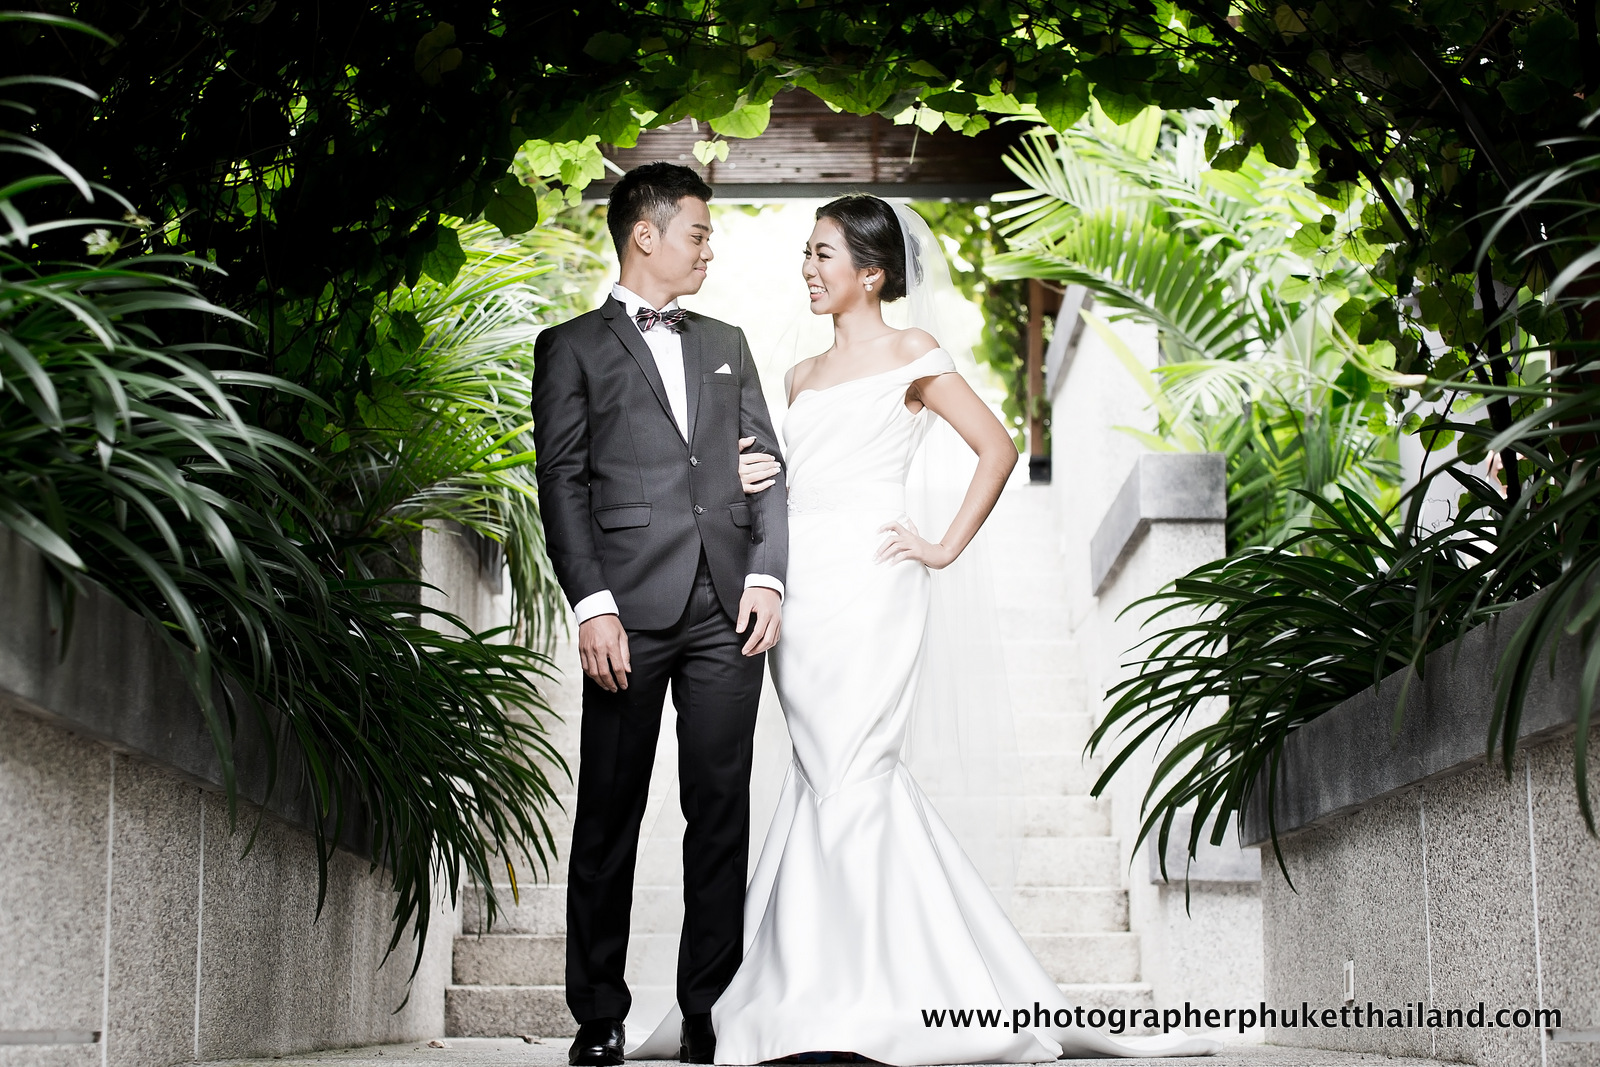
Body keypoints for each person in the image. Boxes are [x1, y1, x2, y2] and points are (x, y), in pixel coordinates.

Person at [712, 195, 1220, 1063]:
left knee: (857, 766)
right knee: (821, 771)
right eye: (807, 252)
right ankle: (824, 986)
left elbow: (997, 446)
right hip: (804, 588)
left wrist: (942, 545)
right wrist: (751, 474)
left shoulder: (914, 353)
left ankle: (857, 998)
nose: (808, 268)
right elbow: (794, 485)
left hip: (875, 581)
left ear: (873, 273)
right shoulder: (797, 377)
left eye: (825, 254)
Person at [530, 162, 788, 1067]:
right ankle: (598, 1012)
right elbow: (560, 481)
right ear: (647, 234)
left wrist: (769, 575)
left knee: (719, 810)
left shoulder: (728, 342)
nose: (710, 250)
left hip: (727, 606)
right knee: (610, 811)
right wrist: (590, 602)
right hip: (627, 611)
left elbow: (768, 467)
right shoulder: (570, 347)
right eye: (699, 234)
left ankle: (706, 1010)